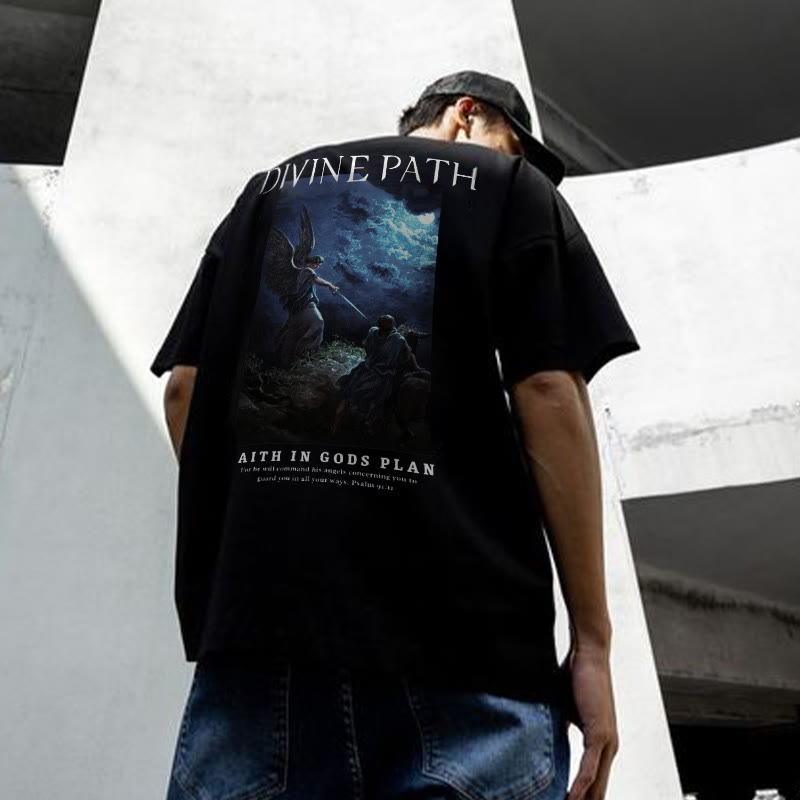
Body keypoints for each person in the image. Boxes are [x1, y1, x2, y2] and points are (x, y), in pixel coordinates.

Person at [151, 70, 639, 800]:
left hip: (259, 650)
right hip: (469, 657)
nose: (520, 165)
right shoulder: (509, 189)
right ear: (468, 115)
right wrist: (592, 644)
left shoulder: (266, 192)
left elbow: (184, 389)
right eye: (515, 145)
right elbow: (547, 391)